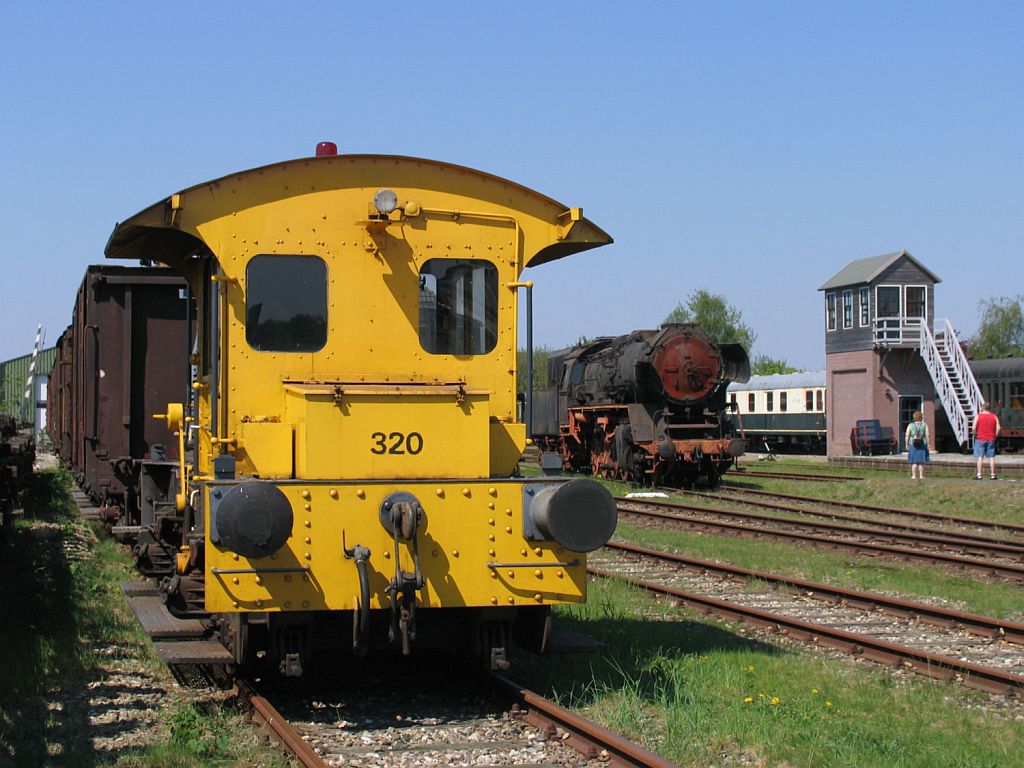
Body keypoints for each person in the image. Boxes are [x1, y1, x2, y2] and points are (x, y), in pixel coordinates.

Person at [973, 402, 1001, 480]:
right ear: (989, 408)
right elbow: (998, 428)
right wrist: (995, 435)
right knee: (991, 457)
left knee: (980, 457)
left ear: (983, 407)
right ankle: (992, 474)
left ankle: (979, 475)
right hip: (991, 439)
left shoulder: (978, 416)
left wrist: (975, 435)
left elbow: (973, 428)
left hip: (980, 439)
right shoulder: (994, 416)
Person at [905, 411, 929, 480]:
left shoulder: (910, 425)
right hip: (922, 444)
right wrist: (928, 443)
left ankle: (914, 476)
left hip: (913, 444)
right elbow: (927, 435)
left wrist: (907, 444)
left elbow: (907, 435)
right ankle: (921, 476)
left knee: (914, 462)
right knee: (921, 462)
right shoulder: (924, 425)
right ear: (921, 417)